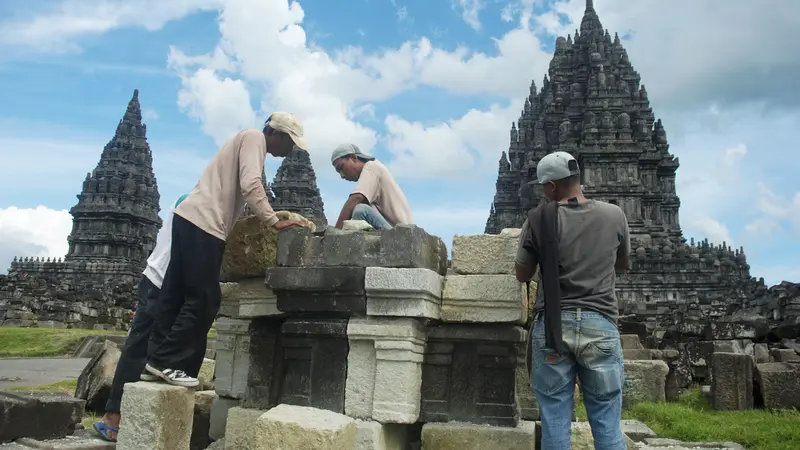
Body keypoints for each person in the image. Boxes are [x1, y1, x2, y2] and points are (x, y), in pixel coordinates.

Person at [144, 112, 309, 387]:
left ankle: (154, 359)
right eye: (291, 142)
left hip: (187, 217)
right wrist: (273, 222)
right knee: (205, 298)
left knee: (175, 294)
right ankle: (171, 362)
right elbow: (252, 183)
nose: (291, 150)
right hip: (206, 224)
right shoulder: (255, 138)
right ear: (277, 134)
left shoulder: (243, 140)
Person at [515, 151, 630, 450]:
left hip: (554, 327)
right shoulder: (614, 215)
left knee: (555, 423)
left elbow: (522, 274)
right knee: (607, 425)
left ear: (551, 186)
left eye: (543, 187)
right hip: (601, 325)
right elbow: (621, 263)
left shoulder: (539, 219)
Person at [93, 193, 189, 442]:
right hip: (160, 281)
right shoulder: (188, 201)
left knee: (164, 354)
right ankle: (114, 417)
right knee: (140, 348)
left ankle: (148, 420)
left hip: (178, 288)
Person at [331, 143, 413, 230]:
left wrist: (335, 231)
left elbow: (356, 198)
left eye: (341, 167)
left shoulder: (371, 167)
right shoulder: (372, 172)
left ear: (353, 158)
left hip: (399, 234)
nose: (342, 175)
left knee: (361, 210)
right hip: (393, 229)